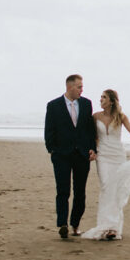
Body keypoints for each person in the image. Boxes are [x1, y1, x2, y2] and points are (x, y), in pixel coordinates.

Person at [81, 89, 130, 241]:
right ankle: (105, 225)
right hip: (103, 156)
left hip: (117, 155)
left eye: (104, 97)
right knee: (106, 187)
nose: (101, 100)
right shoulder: (95, 116)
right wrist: (91, 150)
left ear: (111, 101)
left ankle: (113, 228)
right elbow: (93, 136)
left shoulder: (121, 117)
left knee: (116, 190)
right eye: (100, 97)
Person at [44, 74, 97, 240]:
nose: (82, 90)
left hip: (82, 154)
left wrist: (92, 149)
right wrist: (52, 150)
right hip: (62, 155)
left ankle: (75, 224)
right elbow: (49, 130)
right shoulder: (54, 105)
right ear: (69, 87)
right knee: (63, 191)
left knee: (80, 192)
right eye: (79, 87)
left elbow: (90, 130)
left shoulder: (86, 103)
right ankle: (63, 225)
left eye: (82, 87)